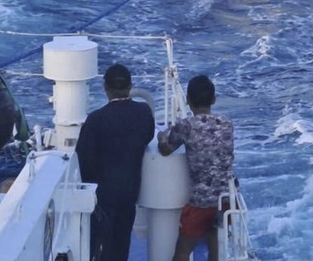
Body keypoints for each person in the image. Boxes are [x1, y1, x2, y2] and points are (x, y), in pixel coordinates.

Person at [75, 63, 156, 261]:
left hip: (102, 193)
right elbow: (147, 136)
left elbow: (82, 159)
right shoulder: (143, 112)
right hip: (130, 189)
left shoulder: (95, 120)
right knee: (121, 241)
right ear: (130, 87)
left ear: (106, 88)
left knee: (99, 243)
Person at [157, 75, 234, 261]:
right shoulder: (227, 124)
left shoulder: (187, 126)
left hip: (201, 201)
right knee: (214, 243)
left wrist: (162, 137)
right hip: (226, 199)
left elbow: (165, 149)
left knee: (182, 251)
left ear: (188, 100)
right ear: (213, 99)